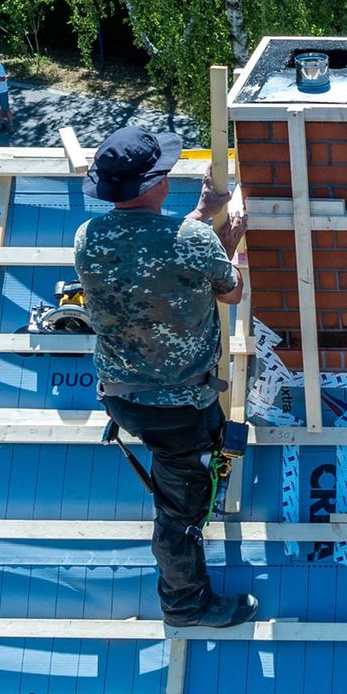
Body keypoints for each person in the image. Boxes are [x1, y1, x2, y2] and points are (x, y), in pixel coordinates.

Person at [73, 126, 255, 629]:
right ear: (156, 184)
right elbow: (231, 293)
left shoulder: (88, 237)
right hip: (178, 410)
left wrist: (199, 217)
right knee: (179, 513)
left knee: (184, 469)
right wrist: (223, 241)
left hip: (123, 396)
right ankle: (185, 604)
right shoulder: (194, 243)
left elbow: (148, 253)